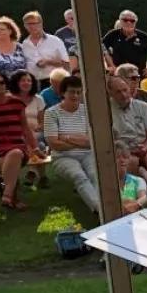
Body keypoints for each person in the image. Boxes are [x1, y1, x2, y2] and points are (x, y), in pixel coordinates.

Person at [0, 70, 41, 209]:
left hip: (14, 144)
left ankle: (7, 195)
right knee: (10, 163)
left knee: (15, 154)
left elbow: (25, 128)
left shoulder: (17, 103)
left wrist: (35, 148)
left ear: (6, 83)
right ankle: (11, 198)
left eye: (2, 82)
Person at [43, 75, 99, 214]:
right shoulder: (51, 113)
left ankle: (103, 208)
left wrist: (66, 137)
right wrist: (82, 141)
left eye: (79, 92)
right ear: (63, 93)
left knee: (95, 175)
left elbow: (92, 142)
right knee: (79, 176)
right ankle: (99, 210)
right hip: (62, 157)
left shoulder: (87, 110)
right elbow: (54, 144)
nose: (75, 95)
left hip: (87, 154)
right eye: (72, 92)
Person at [108, 75, 147, 186]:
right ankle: (133, 193)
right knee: (131, 161)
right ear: (110, 93)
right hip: (122, 149)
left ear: (129, 89)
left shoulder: (143, 106)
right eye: (118, 92)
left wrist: (145, 147)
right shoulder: (106, 110)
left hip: (146, 146)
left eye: (125, 90)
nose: (123, 94)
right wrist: (125, 150)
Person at [20, 11, 70, 87]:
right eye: (28, 24)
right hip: (32, 83)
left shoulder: (55, 41)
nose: (32, 26)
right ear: (25, 26)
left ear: (41, 23)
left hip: (53, 82)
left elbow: (66, 63)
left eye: (34, 23)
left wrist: (49, 62)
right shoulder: (24, 44)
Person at [113, 143, 147, 215]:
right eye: (117, 157)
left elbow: (144, 198)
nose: (122, 160)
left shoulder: (138, 180)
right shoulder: (106, 183)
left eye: (125, 157)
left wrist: (136, 204)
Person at [8, 70, 44, 140]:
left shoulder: (38, 99)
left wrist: (38, 128)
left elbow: (42, 123)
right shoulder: (9, 99)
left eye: (29, 81)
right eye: (23, 80)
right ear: (16, 83)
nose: (26, 83)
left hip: (36, 134)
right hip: (15, 134)